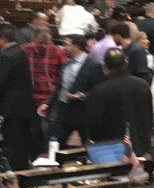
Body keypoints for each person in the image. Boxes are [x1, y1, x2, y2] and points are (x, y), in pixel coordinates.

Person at [86, 47, 153, 156]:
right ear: (126, 63)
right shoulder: (143, 85)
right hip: (142, 144)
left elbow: (94, 123)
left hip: (113, 148)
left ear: (104, 66)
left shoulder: (100, 91)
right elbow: (149, 114)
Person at [42, 35, 98, 148]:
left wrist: (83, 95)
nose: (63, 48)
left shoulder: (93, 65)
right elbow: (60, 88)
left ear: (76, 46)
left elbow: (98, 89)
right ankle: (57, 164)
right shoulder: (67, 64)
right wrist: (47, 103)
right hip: (64, 110)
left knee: (90, 147)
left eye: (66, 44)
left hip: (83, 112)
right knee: (56, 144)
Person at [0, 22, 38, 170]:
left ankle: (16, 172)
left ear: (2, 38)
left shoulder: (6, 55)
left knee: (14, 142)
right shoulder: (19, 51)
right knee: (20, 141)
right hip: (23, 105)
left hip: (12, 107)